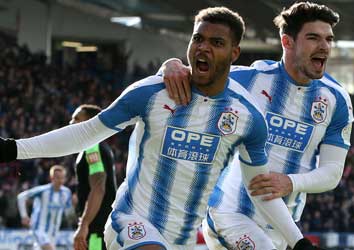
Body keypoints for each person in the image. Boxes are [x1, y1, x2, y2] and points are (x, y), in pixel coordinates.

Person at [1, 6, 319, 250]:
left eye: (216, 42)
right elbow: (86, 133)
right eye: (198, 39)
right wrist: (14, 147)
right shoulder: (152, 93)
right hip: (131, 221)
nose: (203, 48)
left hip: (181, 238)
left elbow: (260, 188)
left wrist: (297, 241)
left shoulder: (247, 117)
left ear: (234, 53)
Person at [160, 2, 354, 250]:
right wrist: (170, 65)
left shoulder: (336, 100)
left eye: (329, 39)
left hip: (283, 225)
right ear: (287, 42)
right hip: (230, 213)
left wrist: (290, 182)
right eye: (314, 38)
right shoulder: (249, 80)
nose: (324, 46)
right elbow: (182, 77)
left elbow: (332, 173)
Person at [70, 104, 117, 250]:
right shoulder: (91, 147)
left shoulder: (92, 148)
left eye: (76, 118)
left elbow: (98, 188)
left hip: (97, 230)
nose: (70, 123)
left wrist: (84, 225)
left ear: (90, 121)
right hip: (97, 227)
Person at [17, 165, 72, 250]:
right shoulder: (43, 190)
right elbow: (21, 197)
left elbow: (68, 212)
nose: (60, 180)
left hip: (54, 231)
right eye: (57, 177)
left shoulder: (66, 192)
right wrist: (24, 216)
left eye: (62, 178)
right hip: (39, 229)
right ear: (52, 178)